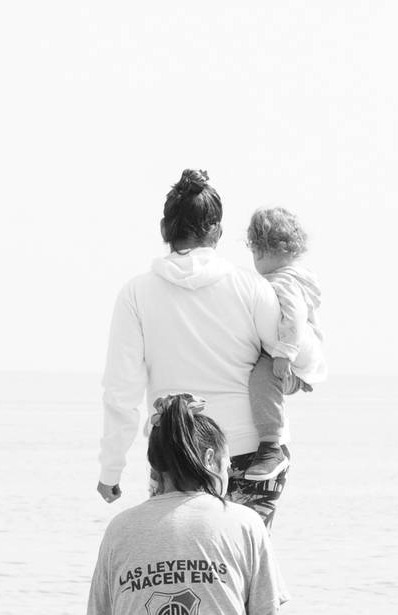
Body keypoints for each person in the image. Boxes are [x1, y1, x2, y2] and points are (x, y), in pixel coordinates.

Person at [97, 170, 292, 526]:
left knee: (181, 570)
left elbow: (120, 391)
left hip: (177, 453)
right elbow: (294, 355)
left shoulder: (136, 294)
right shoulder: (251, 288)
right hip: (253, 454)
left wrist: (111, 470)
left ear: (163, 229)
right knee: (241, 568)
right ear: (216, 232)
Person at [87, 393, 288, 615]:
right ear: (210, 458)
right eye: (226, 465)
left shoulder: (119, 529)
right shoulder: (244, 523)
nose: (228, 472)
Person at [242, 208, 326, 481]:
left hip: (299, 343)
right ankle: (292, 382)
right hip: (306, 347)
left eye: (255, 253)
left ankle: (270, 445)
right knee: (268, 374)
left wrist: (284, 355)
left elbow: (295, 315)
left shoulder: (283, 281)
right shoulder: (295, 276)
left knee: (261, 376)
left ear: (263, 251)